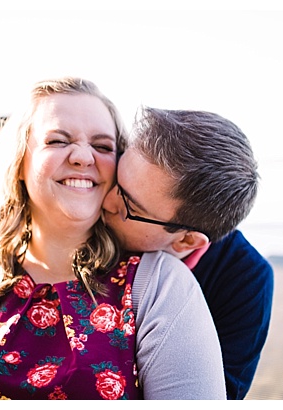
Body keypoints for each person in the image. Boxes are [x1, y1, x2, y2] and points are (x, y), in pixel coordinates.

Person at [0, 77, 225, 400]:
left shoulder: (158, 286)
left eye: (102, 146)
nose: (83, 157)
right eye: (58, 140)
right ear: (19, 162)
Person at [99, 106, 272, 400]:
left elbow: (218, 395)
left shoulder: (246, 279)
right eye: (117, 177)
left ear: (186, 241)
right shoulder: (87, 218)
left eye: (129, 206)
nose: (105, 200)